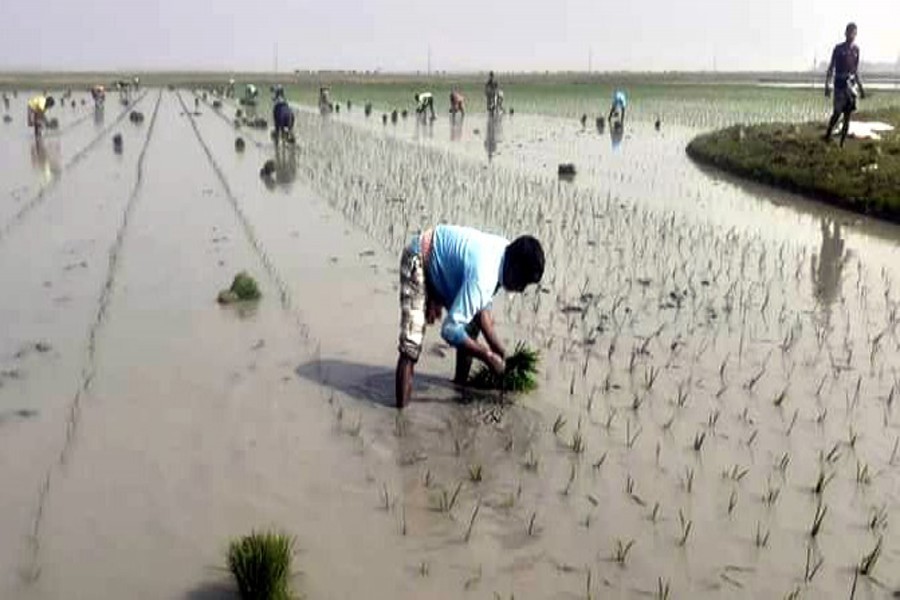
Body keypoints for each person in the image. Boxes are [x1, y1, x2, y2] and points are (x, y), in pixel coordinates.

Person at [395, 225, 545, 409]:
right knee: (411, 346)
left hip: (442, 265)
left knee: (471, 326)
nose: (521, 289)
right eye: (523, 282)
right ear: (514, 267)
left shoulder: (505, 253)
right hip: (418, 260)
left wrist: (499, 350)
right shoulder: (484, 276)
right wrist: (487, 356)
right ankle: (400, 419)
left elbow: (482, 313)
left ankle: (459, 386)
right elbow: (449, 330)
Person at [824, 22, 865, 146]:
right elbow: (831, 67)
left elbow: (855, 70)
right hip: (839, 84)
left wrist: (861, 88)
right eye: (849, 32)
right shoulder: (838, 49)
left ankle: (842, 144)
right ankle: (828, 134)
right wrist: (827, 84)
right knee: (837, 112)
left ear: (855, 34)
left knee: (848, 115)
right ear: (845, 33)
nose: (851, 35)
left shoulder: (856, 50)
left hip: (851, 86)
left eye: (853, 33)